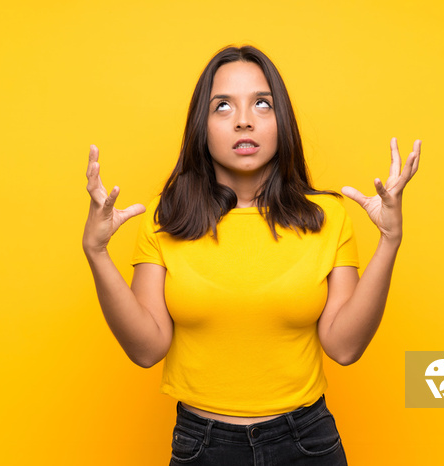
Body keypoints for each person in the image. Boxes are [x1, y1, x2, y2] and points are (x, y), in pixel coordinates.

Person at [83, 45, 420, 465]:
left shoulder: (326, 216)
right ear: (201, 128)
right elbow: (147, 349)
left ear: (283, 123)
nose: (244, 119)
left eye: (262, 103)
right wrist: (97, 253)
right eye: (223, 106)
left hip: (306, 443)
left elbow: (345, 347)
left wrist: (389, 241)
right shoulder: (165, 217)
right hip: (201, 446)